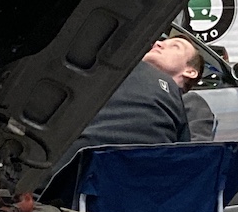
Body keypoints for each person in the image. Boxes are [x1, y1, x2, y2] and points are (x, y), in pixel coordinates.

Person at [75, 35, 203, 153]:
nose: (158, 43)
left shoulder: (190, 103)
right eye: (161, 42)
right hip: (75, 158)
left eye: (175, 46)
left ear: (190, 71)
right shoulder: (109, 73)